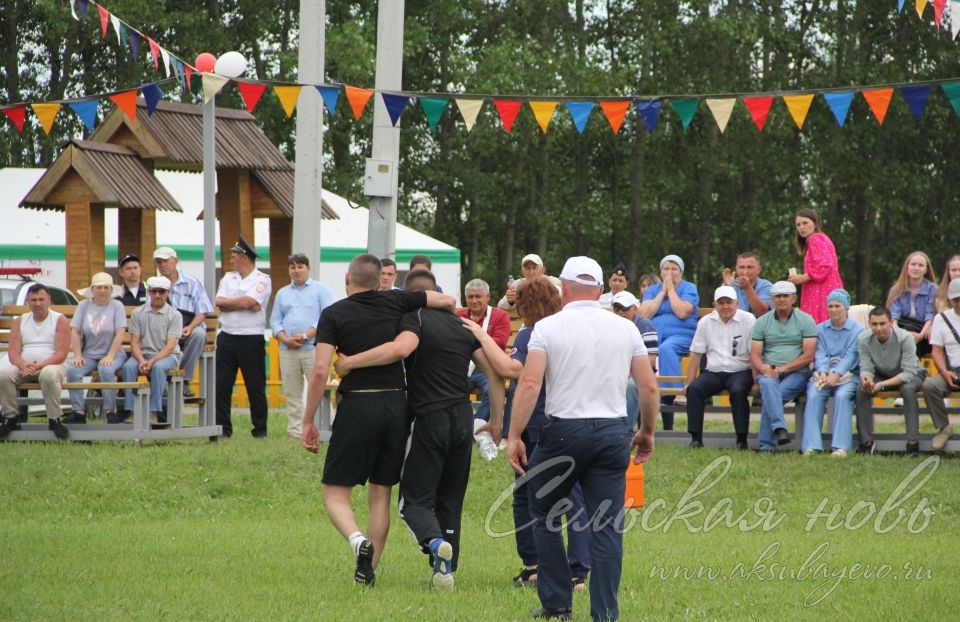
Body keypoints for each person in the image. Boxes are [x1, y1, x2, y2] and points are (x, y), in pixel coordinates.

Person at [507, 256, 659, 622]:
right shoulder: (626, 329)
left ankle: (557, 604)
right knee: (606, 525)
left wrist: (514, 434)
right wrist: (647, 431)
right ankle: (605, 612)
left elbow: (529, 384)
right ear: (602, 290)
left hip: (562, 432)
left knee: (542, 513)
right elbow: (648, 385)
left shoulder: (547, 328)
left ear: (563, 287)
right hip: (612, 433)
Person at [334, 269, 504, 592]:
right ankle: (445, 569)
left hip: (429, 419)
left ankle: (434, 540)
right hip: (463, 419)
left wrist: (351, 362)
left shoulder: (414, 319)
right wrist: (496, 421)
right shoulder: (461, 325)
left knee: (413, 503)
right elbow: (495, 373)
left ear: (409, 296)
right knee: (451, 499)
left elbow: (400, 350)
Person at [300, 254, 456, 587]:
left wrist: (308, 420)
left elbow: (318, 371)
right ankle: (367, 571)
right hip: (396, 404)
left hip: (358, 404)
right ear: (379, 280)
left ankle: (358, 541)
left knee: (335, 493)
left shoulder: (334, 314)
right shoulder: (397, 301)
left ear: (347, 278)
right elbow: (446, 299)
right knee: (380, 494)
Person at [462, 276, 593, 593]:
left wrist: (481, 335)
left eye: (520, 303)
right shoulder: (570, 330)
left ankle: (540, 566)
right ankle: (575, 570)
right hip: (571, 420)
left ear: (528, 304)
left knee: (527, 497)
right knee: (571, 496)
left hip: (537, 424)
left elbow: (511, 369)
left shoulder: (534, 333)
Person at [682, 285, 757, 450]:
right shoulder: (705, 322)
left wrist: (755, 381)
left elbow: (755, 353)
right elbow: (695, 354)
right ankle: (696, 439)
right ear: (714, 305)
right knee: (694, 389)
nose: (725, 306)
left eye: (729, 302)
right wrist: (688, 382)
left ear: (737, 303)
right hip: (714, 372)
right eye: (721, 303)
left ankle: (741, 440)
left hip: (740, 370)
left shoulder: (748, 319)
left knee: (738, 391)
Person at [270, 253, 334, 439]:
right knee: (292, 392)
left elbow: (327, 317)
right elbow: (275, 320)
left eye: (300, 267)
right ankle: (296, 432)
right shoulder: (283, 293)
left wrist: (307, 335)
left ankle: (327, 427)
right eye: (293, 267)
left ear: (308, 268)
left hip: (313, 348)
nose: (296, 271)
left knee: (321, 389)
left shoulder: (321, 290)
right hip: (287, 349)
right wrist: (284, 338)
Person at [214, 236, 272, 439]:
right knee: (221, 385)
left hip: (251, 338)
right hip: (227, 336)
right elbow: (219, 301)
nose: (230, 260)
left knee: (255, 386)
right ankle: (222, 429)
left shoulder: (263, 280)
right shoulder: (228, 278)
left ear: (244, 258)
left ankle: (260, 430)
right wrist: (241, 303)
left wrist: (234, 303)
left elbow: (249, 301)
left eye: (234, 256)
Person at [750, 281, 817, 452]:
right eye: (778, 296)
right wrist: (764, 369)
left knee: (772, 396)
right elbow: (755, 355)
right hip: (768, 371)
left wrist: (782, 369)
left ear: (793, 298)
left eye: (785, 296)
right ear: (772, 299)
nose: (782, 300)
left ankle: (767, 446)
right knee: (767, 384)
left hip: (797, 372)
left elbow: (808, 355)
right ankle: (780, 429)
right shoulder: (762, 322)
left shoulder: (806, 320)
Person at [0, 284, 70, 439]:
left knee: (48, 375)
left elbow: (61, 354)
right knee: (3, 374)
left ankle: (54, 419)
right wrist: (24, 365)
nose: (37, 303)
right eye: (33, 300)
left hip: (52, 365)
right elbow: (13, 352)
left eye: (41, 299)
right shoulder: (20, 321)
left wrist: (38, 365)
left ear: (49, 300)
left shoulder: (59, 320)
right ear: (28, 302)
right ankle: (11, 417)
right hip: (24, 366)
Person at [855, 306, 926, 457]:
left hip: (912, 373)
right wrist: (866, 378)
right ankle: (866, 442)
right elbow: (866, 367)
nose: (879, 328)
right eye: (874, 324)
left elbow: (908, 373)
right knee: (861, 389)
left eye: (882, 323)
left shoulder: (905, 337)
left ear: (891, 322)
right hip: (882, 373)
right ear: (869, 324)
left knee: (907, 390)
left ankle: (913, 443)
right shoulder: (863, 339)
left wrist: (881, 385)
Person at [800, 289, 862, 457]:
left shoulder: (858, 330)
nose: (834, 309)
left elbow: (851, 356)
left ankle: (841, 447)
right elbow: (819, 352)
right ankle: (811, 446)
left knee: (842, 397)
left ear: (846, 308)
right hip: (823, 374)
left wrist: (837, 374)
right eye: (830, 306)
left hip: (849, 376)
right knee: (813, 395)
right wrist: (822, 372)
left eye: (837, 306)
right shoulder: (820, 329)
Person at [639, 254, 699, 429]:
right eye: (666, 269)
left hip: (682, 337)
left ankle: (675, 393)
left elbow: (682, 312)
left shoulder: (689, 288)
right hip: (653, 337)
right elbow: (644, 313)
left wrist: (671, 291)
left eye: (674, 269)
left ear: (681, 272)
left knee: (665, 349)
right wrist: (663, 292)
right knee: (643, 352)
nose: (670, 272)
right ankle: (656, 423)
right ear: (661, 271)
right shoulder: (653, 290)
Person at [65, 272, 127, 425]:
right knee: (73, 371)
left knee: (106, 369)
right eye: (99, 287)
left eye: (106, 287)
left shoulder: (117, 306)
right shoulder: (83, 305)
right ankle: (78, 411)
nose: (102, 290)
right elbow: (75, 331)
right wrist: (78, 355)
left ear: (111, 290)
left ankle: (110, 411)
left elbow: (120, 333)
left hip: (114, 353)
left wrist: (111, 356)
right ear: (92, 289)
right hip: (89, 354)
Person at [121, 276, 183, 426]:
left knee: (158, 367)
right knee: (128, 367)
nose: (157, 295)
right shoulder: (138, 313)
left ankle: (154, 411)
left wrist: (152, 361)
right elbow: (134, 342)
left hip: (168, 356)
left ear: (168, 293)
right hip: (143, 354)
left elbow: (170, 347)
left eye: (161, 292)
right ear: (148, 292)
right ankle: (131, 411)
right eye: (154, 291)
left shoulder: (175, 315)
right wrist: (142, 360)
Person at [153, 246, 214, 398]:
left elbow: (202, 311)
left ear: (175, 261)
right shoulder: (154, 286)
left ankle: (183, 379)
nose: (162, 265)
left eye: (165, 261)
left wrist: (190, 327)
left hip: (189, 327)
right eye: (159, 262)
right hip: (164, 331)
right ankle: (163, 378)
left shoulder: (192, 282)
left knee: (199, 334)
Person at [456, 278, 511, 425]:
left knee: (492, 391)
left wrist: (472, 339)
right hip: (463, 367)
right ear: (465, 298)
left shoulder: (500, 315)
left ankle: (475, 426)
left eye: (478, 296)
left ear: (488, 297)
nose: (474, 300)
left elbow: (500, 342)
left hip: (488, 367)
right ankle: (463, 425)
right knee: (452, 389)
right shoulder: (458, 316)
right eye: (470, 297)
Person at [921, 278, 960, 452]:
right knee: (930, 385)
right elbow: (936, 350)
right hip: (952, 370)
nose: (959, 303)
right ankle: (944, 427)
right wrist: (944, 372)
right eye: (956, 300)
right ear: (949, 300)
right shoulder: (941, 318)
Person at [611, 291, 659, 432]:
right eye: (616, 309)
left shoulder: (645, 326)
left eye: (624, 309)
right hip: (615, 370)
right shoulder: (609, 325)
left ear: (634, 309)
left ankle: (626, 431)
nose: (620, 312)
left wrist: (629, 372)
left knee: (631, 386)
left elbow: (651, 359)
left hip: (639, 373)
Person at [787, 208, 843, 324]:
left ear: (815, 223)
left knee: (817, 325)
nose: (801, 227)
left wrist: (804, 277)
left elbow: (825, 265)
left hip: (822, 290)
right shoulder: (821, 238)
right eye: (798, 225)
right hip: (826, 287)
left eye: (805, 223)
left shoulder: (815, 238)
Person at [886, 251, 937, 357]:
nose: (916, 268)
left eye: (921, 265)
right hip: (901, 328)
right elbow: (893, 317)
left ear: (926, 269)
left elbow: (930, 315)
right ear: (907, 267)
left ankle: (912, 369)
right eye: (913, 264)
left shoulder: (933, 289)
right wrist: (900, 335)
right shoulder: (896, 289)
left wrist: (920, 336)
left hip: (924, 329)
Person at [722, 252, 772, 316]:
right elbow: (722, 311)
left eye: (750, 267)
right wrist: (728, 288)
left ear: (759, 269)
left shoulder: (766, 286)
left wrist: (747, 288)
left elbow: (760, 312)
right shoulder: (729, 285)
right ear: (736, 269)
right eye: (741, 267)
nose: (745, 271)